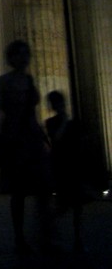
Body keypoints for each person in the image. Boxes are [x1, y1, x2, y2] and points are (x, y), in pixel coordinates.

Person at [0, 40, 52, 256]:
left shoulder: (29, 79)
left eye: (27, 53)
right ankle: (20, 236)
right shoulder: (3, 82)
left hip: (32, 137)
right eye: (20, 54)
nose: (25, 57)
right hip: (14, 140)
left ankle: (44, 233)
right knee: (19, 193)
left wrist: (44, 138)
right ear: (12, 57)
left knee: (44, 186)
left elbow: (32, 113)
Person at [45, 90, 88, 254]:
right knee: (63, 206)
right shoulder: (51, 122)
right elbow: (55, 139)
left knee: (77, 207)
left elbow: (81, 142)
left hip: (74, 167)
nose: (60, 106)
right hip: (61, 168)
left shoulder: (73, 122)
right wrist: (64, 121)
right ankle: (49, 230)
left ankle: (78, 239)